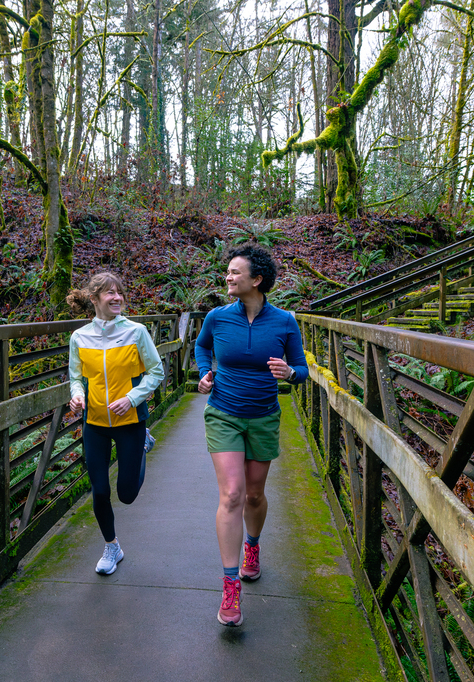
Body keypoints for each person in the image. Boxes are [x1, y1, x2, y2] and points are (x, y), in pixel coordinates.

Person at [195, 242, 308, 627]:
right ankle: (230, 586)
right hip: (223, 413)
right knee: (232, 495)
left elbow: (302, 369)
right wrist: (203, 373)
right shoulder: (216, 317)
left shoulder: (284, 321)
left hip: (263, 416)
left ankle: (253, 547)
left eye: (234, 272)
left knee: (255, 494)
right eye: (227, 271)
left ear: (256, 280)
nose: (227, 277)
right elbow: (201, 346)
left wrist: (290, 374)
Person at [67, 272, 165, 575]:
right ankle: (112, 546)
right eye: (110, 293)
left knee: (127, 494)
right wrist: (77, 396)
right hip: (94, 422)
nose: (118, 297)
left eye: (120, 291)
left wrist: (133, 398)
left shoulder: (136, 332)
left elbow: (156, 372)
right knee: (99, 491)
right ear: (95, 299)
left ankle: (144, 444)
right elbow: (75, 377)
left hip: (131, 420)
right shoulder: (79, 337)